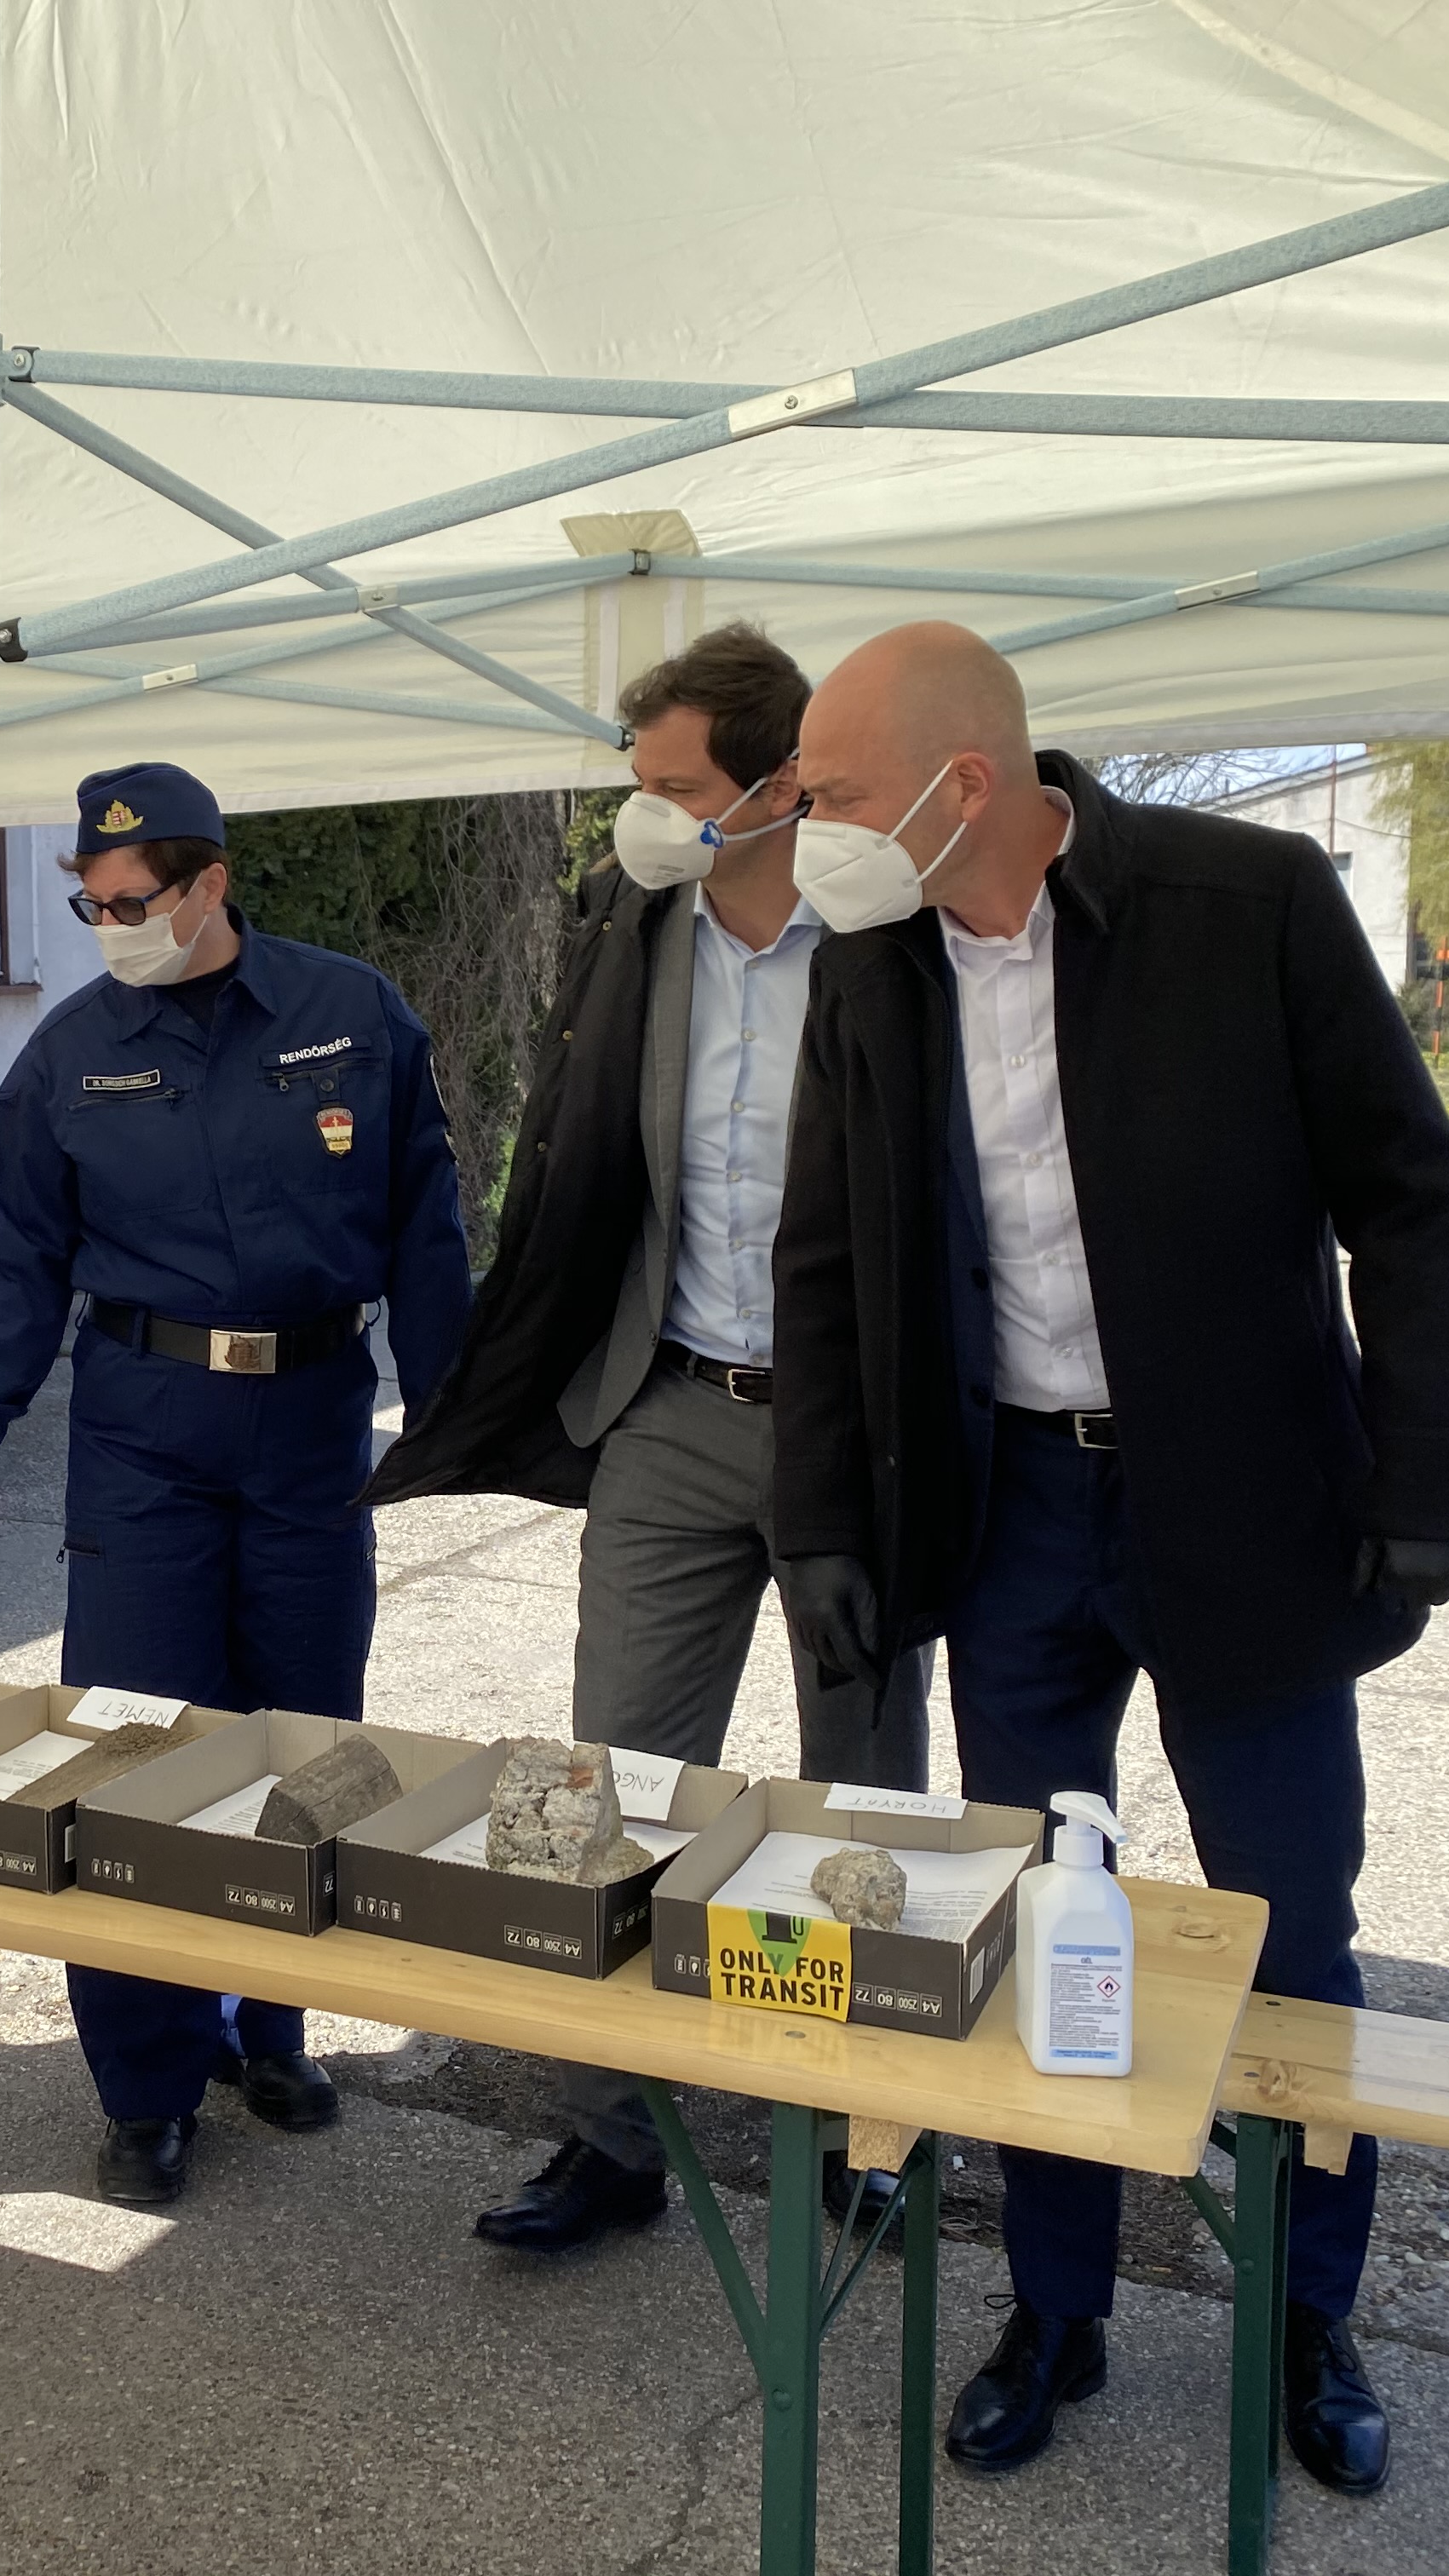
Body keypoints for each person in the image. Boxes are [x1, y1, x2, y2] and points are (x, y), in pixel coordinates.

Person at [768, 622, 1449, 2500]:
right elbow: (824, 1262)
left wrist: (1432, 1476)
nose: (809, 830)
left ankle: (1309, 2315)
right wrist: (824, 1524)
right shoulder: (870, 966)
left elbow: (1407, 1197)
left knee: (1288, 1928)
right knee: (1036, 1917)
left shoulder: (1245, 904)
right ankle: (1059, 2302)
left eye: (833, 794)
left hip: (1246, 1505)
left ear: (966, 785)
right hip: (1012, 1510)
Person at [365, 624, 933, 2254]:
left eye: (679, 787)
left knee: (860, 1801)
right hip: (669, 1407)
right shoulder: (635, 915)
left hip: (849, 1442)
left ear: (781, 782)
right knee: (605, 1783)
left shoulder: (889, 929)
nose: (649, 815)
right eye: (642, 786)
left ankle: (864, 2134)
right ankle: (612, 2137)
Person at [0, 761, 472, 2205]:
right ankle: (148, 2082)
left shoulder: (351, 1016)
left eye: (132, 902)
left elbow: (426, 1219)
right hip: (146, 1431)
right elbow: (13, 1252)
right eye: (90, 907)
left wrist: (455, 1407)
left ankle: (270, 2032)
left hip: (313, 1423)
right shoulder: (70, 1056)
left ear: (210, 882)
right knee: (136, 1755)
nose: (111, 928)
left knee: (305, 1743)